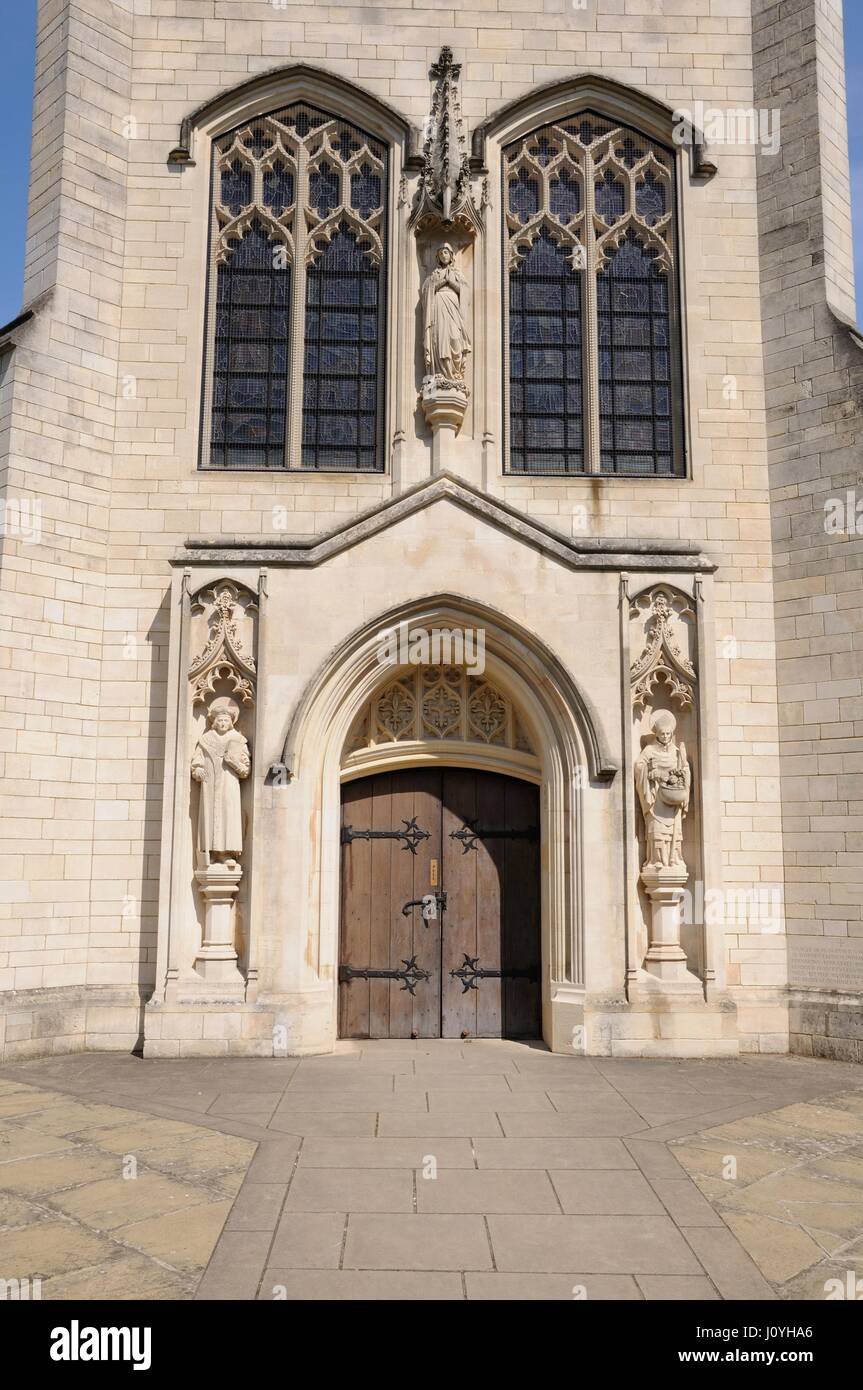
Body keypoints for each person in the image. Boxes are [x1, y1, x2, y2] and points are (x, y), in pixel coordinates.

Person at [191, 697, 251, 866]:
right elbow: (197, 760)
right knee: (209, 815)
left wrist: (234, 762)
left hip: (229, 786)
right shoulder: (205, 740)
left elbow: (246, 770)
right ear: (214, 722)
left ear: (231, 722)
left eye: (226, 720)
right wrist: (198, 769)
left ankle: (226, 854)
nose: (223, 723)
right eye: (220, 720)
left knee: (227, 816)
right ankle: (210, 852)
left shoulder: (238, 740)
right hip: (209, 785)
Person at [634, 709, 690, 870]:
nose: (665, 736)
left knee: (674, 831)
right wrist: (651, 773)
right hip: (656, 797)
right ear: (656, 734)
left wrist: (680, 776)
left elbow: (684, 768)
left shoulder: (677, 751)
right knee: (656, 829)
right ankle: (656, 860)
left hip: (672, 798)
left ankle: (674, 858)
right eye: (662, 733)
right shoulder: (650, 750)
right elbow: (639, 766)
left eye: (668, 734)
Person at [421, 242, 470, 384]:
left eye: (446, 252)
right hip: (438, 306)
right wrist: (442, 282)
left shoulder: (457, 274)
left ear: (451, 255)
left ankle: (454, 373)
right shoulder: (434, 275)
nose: (444, 255)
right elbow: (427, 291)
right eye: (441, 253)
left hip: (453, 306)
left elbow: (465, 292)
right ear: (437, 257)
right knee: (439, 338)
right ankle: (440, 372)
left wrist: (451, 281)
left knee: (454, 338)